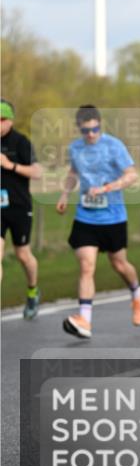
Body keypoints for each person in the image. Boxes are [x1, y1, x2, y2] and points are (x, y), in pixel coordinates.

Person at [55, 105, 140, 338]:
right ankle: (85, 320)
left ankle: (137, 293)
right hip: (86, 216)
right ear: (79, 129)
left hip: (113, 216)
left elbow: (132, 174)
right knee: (87, 265)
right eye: (86, 131)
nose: (91, 134)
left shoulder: (113, 146)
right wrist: (65, 194)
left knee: (119, 264)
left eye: (95, 129)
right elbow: (73, 173)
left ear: (100, 125)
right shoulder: (75, 148)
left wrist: (107, 188)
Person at [0, 99, 43, 319]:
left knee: (23, 255)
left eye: (2, 119)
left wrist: (10, 166)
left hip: (19, 207)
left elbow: (37, 172)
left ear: (10, 120)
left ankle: (33, 291)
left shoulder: (21, 142)